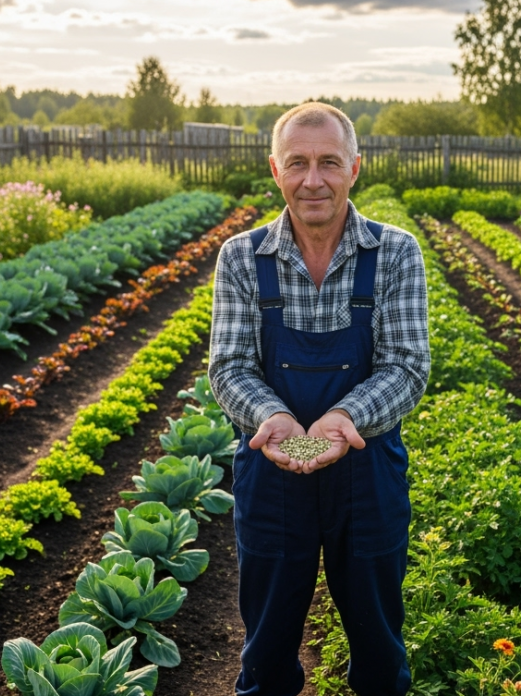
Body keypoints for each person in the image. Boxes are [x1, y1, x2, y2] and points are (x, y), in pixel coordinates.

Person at [209, 101, 430, 696]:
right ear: (275, 171)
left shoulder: (395, 253)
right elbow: (229, 367)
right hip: (271, 469)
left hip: (366, 473)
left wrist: (341, 418)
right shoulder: (241, 258)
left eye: (329, 162)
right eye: (298, 163)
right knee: (267, 650)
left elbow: (407, 367)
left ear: (355, 168)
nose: (314, 180)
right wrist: (275, 417)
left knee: (379, 644)